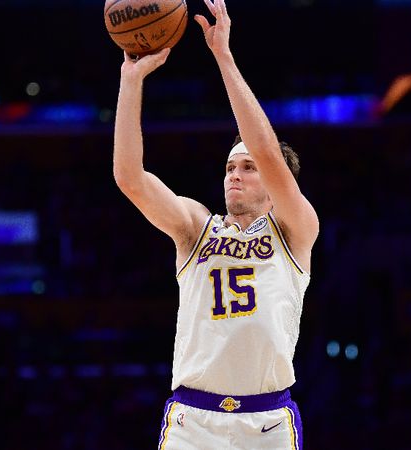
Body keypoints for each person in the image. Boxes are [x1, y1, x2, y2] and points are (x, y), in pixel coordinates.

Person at [112, 0, 318, 448]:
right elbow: (130, 178)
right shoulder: (197, 227)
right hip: (193, 421)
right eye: (229, 168)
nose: (234, 176)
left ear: (275, 184)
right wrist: (131, 80)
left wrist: (223, 56)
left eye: (247, 167)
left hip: (267, 423)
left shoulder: (295, 229)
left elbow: (267, 150)